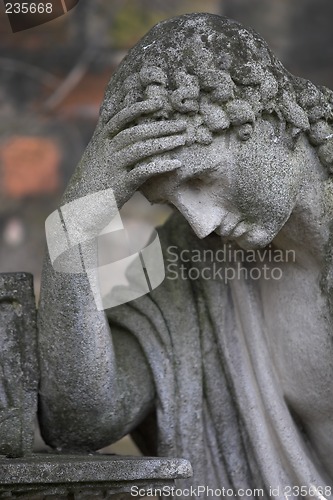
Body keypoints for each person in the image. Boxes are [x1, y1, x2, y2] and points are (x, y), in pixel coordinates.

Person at [38, 14, 333, 499]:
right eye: (174, 201)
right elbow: (83, 422)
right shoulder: (196, 256)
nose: (201, 222)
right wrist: (74, 228)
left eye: (200, 180)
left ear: (262, 120)